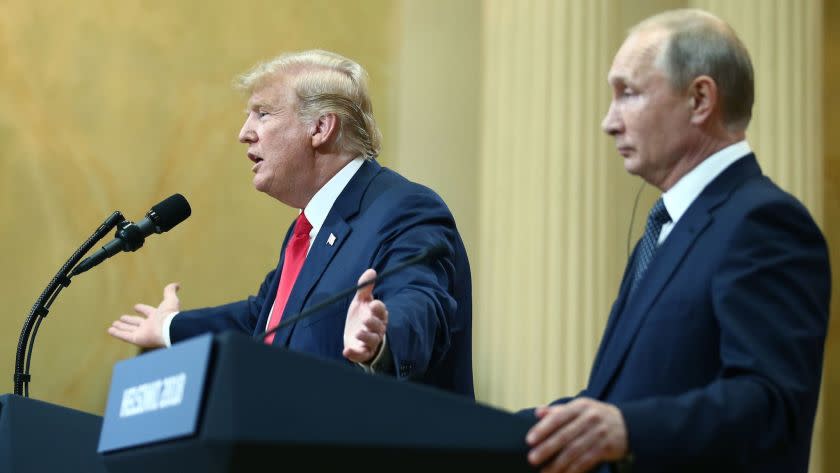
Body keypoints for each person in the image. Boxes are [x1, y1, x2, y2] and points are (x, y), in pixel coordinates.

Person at [525, 9, 831, 473]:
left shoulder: (765, 222)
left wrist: (629, 430)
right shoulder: (667, 224)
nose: (609, 122)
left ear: (700, 99)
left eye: (628, 93)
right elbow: (615, 397)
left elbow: (771, 405)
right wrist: (490, 431)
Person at [106, 49, 474, 397]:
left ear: (320, 128)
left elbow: (421, 301)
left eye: (263, 113)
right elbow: (261, 320)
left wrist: (381, 340)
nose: (244, 132)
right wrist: (169, 327)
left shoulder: (404, 208)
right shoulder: (310, 228)